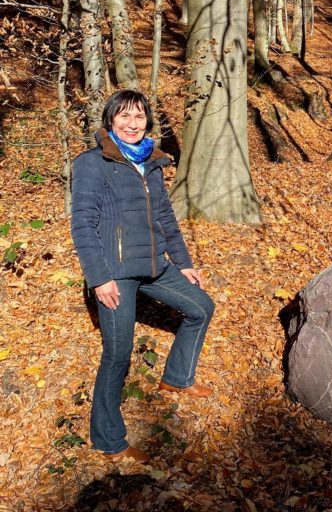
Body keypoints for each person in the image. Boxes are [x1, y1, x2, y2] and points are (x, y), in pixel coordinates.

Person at [71, 90, 215, 464]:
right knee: (117, 354)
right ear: (110, 120)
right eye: (124, 116)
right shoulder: (93, 162)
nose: (132, 124)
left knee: (201, 306)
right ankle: (108, 439)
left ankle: (177, 378)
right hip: (116, 274)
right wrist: (99, 278)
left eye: (139, 117)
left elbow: (165, 217)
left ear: (147, 122)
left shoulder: (150, 161)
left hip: (154, 265)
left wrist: (182, 262)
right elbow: (83, 225)